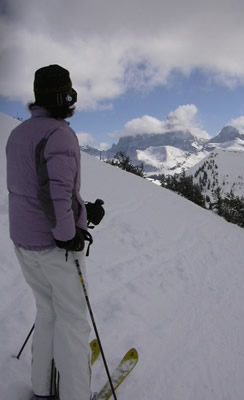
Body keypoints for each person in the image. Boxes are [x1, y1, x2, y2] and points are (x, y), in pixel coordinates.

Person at [6, 65, 97, 400]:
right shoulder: (58, 134)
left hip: (24, 241)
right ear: (65, 96)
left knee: (47, 312)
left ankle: (42, 388)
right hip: (53, 245)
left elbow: (34, 188)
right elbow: (56, 192)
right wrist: (66, 233)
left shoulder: (19, 132)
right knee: (73, 322)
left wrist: (85, 212)